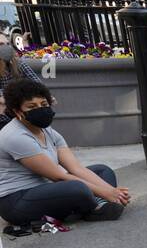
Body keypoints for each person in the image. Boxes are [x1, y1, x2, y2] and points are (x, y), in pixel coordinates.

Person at [0, 78, 128, 228]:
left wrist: (110, 190)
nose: (40, 109)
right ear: (17, 111)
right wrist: (105, 192)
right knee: (76, 188)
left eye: (44, 104)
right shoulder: (15, 136)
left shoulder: (46, 130)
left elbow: (76, 168)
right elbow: (58, 176)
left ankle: (94, 205)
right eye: (32, 106)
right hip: (17, 201)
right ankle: (94, 207)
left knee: (102, 171)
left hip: (46, 189)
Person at [0, 34, 40, 127]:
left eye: (7, 44)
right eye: (1, 44)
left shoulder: (17, 62)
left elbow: (36, 83)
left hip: (17, 106)